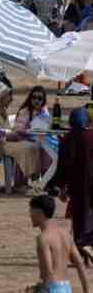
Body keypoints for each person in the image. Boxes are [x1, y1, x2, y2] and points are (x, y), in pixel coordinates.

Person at [54, 108, 93, 262]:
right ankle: (87, 244)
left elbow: (61, 166)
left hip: (76, 184)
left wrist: (61, 188)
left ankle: (83, 250)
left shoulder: (66, 139)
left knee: (78, 216)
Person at [31, 194, 90, 293]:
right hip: (66, 287)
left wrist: (39, 290)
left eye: (31, 211)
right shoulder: (65, 234)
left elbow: (48, 272)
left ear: (39, 212)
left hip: (52, 288)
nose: (30, 215)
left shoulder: (43, 238)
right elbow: (80, 264)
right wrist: (86, 291)